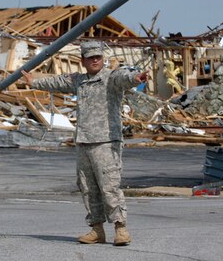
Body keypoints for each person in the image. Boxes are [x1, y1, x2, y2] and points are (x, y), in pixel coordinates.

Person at [22, 40, 148, 246]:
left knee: (110, 186)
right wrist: (34, 81)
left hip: (105, 141)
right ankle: (97, 230)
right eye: (90, 58)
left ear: (103, 58)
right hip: (83, 141)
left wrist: (136, 78)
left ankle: (120, 228)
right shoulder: (79, 80)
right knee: (88, 187)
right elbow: (58, 82)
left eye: (98, 57)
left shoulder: (111, 78)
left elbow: (125, 78)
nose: (95, 60)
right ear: (83, 61)